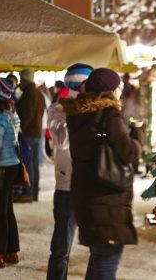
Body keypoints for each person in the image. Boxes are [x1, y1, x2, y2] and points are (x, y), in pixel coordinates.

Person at [61, 68, 144, 280]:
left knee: (99, 261)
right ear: (111, 90)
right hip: (106, 201)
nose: (121, 90)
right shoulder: (109, 115)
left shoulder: (77, 114)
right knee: (106, 267)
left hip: (85, 196)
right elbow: (128, 152)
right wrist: (138, 133)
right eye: (119, 87)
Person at [46, 63, 93, 280]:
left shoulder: (98, 108)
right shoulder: (58, 109)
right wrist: (78, 110)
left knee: (99, 249)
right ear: (82, 85)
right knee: (61, 247)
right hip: (67, 186)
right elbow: (62, 141)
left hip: (92, 185)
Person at [0, 78, 21, 268]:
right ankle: (12, 251)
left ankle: (0, 253)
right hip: (12, 164)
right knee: (7, 208)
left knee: (0, 211)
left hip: (1, 167)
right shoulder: (12, 113)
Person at [15, 68, 46, 202]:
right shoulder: (38, 93)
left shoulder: (29, 93)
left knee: (28, 165)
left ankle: (27, 193)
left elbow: (27, 115)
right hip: (36, 133)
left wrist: (19, 131)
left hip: (29, 133)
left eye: (21, 80)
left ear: (25, 80)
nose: (20, 83)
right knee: (33, 164)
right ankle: (33, 193)